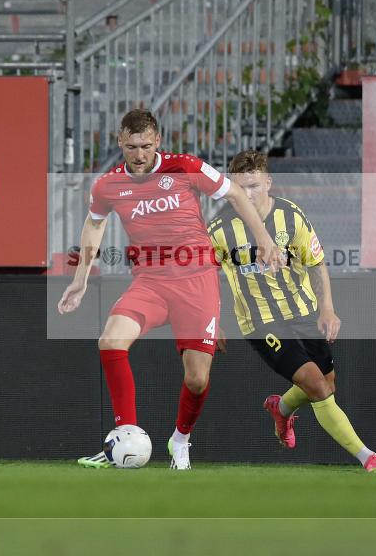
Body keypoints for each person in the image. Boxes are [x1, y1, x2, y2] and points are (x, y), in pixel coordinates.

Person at [58, 110, 282, 470]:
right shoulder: (108, 185)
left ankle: (180, 439)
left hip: (197, 281)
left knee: (196, 379)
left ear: (158, 141)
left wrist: (264, 239)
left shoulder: (185, 167)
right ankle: (123, 438)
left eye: (146, 145)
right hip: (150, 282)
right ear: (120, 143)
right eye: (131, 147)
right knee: (110, 341)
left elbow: (237, 194)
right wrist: (80, 278)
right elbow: (94, 225)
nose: (139, 154)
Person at [208, 149, 376, 472]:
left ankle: (282, 407)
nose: (247, 194)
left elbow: (316, 261)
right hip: (261, 323)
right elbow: (202, 276)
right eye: (240, 187)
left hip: (304, 311)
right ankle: (368, 457)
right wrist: (211, 322)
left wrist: (328, 309)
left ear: (269, 183)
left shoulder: (291, 217)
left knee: (327, 384)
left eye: (254, 186)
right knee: (317, 386)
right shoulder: (220, 229)